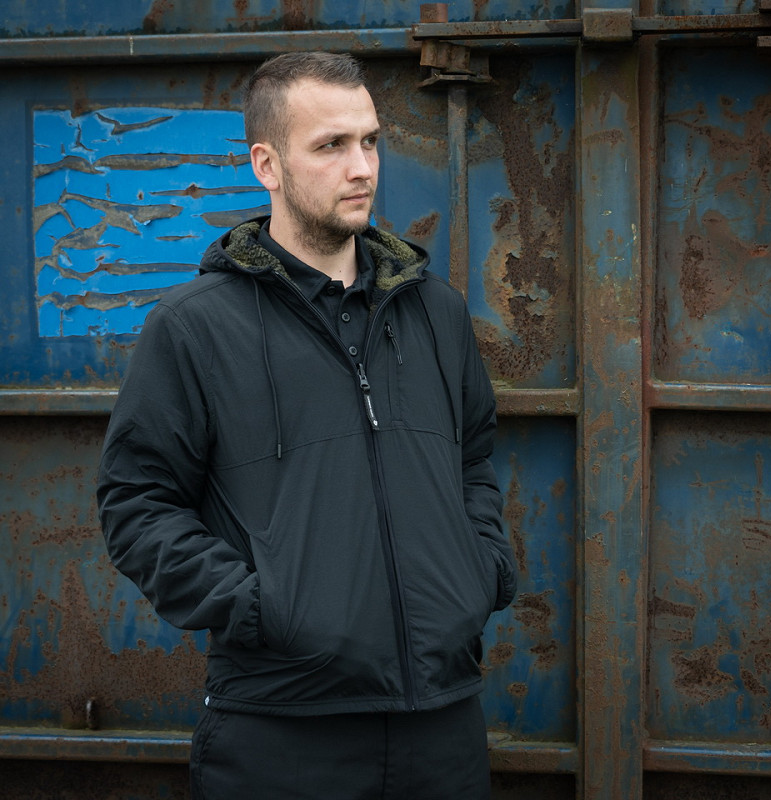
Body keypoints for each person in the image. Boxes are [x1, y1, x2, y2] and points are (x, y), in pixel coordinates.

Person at [97, 51, 517, 800]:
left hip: (443, 724)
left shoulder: (436, 313)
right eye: (331, 146)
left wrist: (478, 573)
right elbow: (136, 503)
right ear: (267, 163)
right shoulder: (195, 328)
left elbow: (473, 461)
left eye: (370, 141)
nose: (362, 168)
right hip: (281, 731)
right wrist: (265, 608)